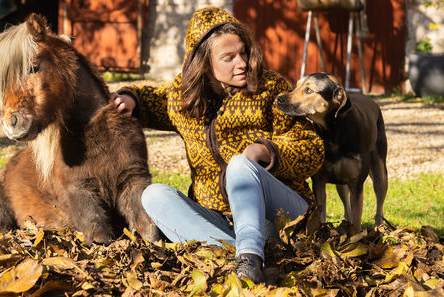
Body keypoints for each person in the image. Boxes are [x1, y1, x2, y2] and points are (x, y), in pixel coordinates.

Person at [112, 6, 324, 283]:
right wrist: (132, 98)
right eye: (229, 57)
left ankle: (249, 256)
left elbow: (313, 149)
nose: (243, 63)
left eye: (244, 52)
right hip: (221, 220)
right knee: (153, 195)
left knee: (239, 165)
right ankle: (245, 258)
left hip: (284, 217)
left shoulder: (270, 89)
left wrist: (268, 151)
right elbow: (158, 97)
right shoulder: (183, 98)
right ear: (203, 63)